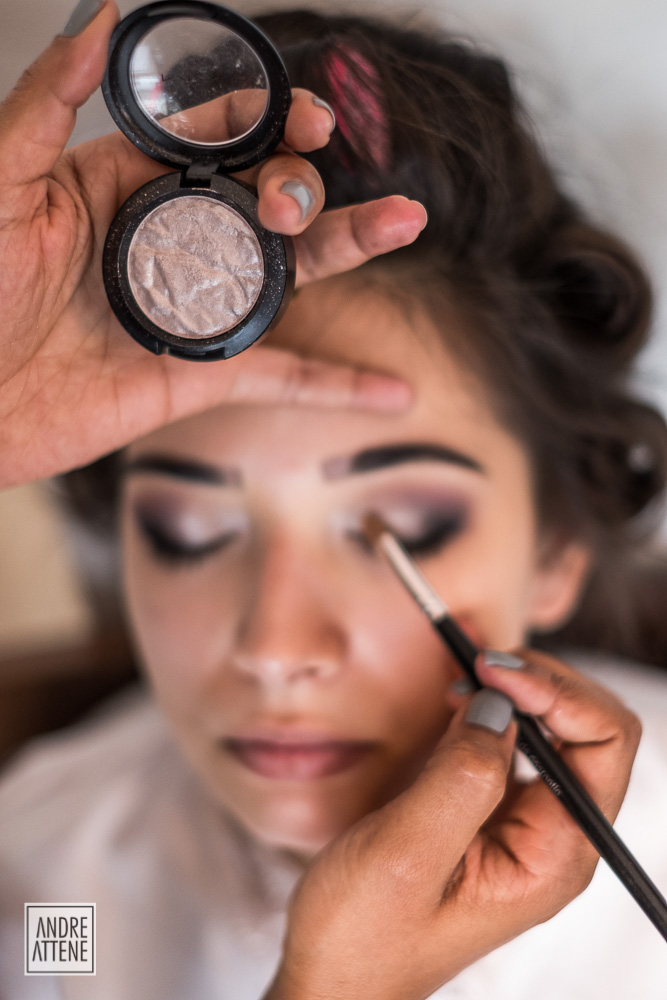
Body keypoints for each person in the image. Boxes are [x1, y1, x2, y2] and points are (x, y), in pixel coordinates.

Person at [1, 2, 667, 998]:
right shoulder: (54, 884)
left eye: (403, 529)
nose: (275, 644)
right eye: (188, 533)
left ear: (559, 542)